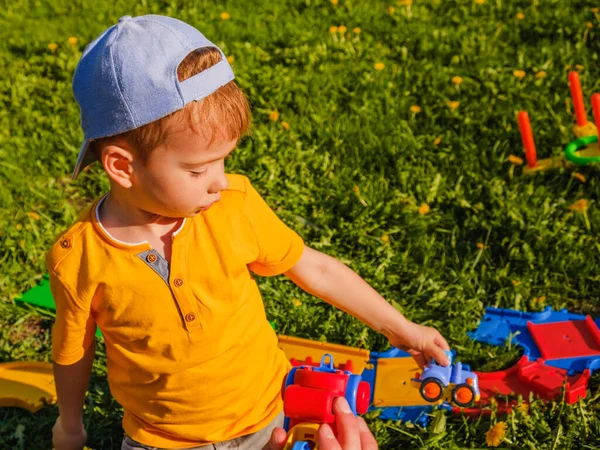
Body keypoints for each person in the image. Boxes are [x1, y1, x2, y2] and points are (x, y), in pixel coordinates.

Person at [48, 14, 450, 450]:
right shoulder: (78, 259)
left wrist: (400, 329)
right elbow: (73, 351)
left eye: (224, 160)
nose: (220, 180)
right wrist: (70, 424)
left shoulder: (233, 206)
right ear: (123, 167)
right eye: (198, 168)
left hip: (266, 419)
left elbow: (313, 267)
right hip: (160, 438)